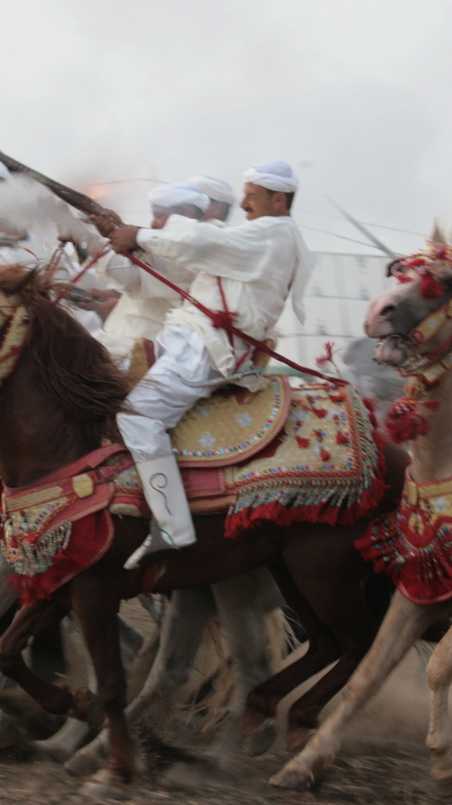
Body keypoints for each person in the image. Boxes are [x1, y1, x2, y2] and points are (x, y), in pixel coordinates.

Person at [93, 161, 312, 569]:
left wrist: (140, 234)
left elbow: (201, 245)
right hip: (188, 339)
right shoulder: (261, 235)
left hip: (204, 349)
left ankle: (172, 526)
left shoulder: (270, 233)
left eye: (252, 194)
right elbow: (183, 263)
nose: (242, 201)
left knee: (137, 419)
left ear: (278, 199)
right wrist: (125, 236)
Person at [93, 182, 207, 363]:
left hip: (152, 351)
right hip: (120, 341)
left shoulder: (202, 248)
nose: (153, 224)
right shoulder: (164, 245)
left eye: (158, 215)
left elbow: (131, 276)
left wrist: (85, 237)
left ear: (185, 213)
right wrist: (118, 230)